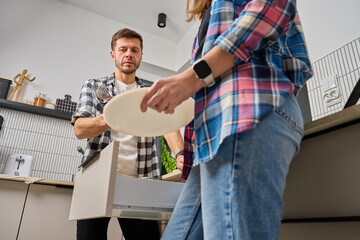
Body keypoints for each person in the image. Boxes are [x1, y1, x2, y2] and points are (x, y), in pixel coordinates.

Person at [140, 0, 313, 239]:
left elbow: (269, 9)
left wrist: (192, 78)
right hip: (218, 133)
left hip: (246, 112)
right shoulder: (211, 15)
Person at [72, 28, 184, 240]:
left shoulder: (151, 92)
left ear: (141, 55)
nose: (128, 54)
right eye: (122, 49)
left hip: (141, 183)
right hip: (97, 181)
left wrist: (180, 154)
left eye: (134, 50)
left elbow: (169, 126)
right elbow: (80, 129)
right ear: (113, 54)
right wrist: (112, 116)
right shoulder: (95, 86)